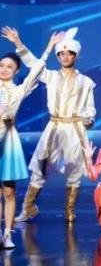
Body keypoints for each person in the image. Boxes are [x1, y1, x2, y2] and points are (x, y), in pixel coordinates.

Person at [6, 27, 96, 224]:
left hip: (75, 129)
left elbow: (90, 107)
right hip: (54, 126)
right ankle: (28, 208)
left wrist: (88, 118)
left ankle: (70, 210)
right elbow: (33, 63)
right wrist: (18, 43)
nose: (65, 57)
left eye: (69, 53)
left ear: (75, 55)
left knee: (75, 171)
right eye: (61, 54)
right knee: (40, 168)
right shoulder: (51, 76)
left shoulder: (86, 82)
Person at [0, 29, 60, 247]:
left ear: (16, 71)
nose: (4, 69)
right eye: (1, 65)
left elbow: (36, 70)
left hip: (8, 144)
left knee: (9, 191)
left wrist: (47, 48)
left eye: (9, 67)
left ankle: (8, 234)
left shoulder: (18, 90)